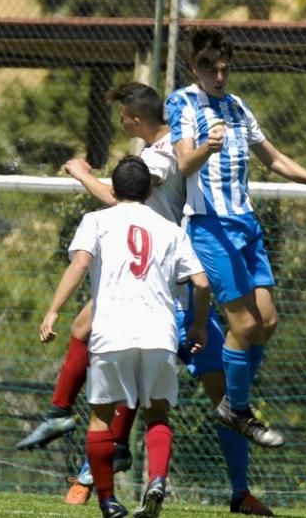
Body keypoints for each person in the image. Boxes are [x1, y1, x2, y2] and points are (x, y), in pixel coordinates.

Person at [20, 81, 276, 516]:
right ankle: (87, 455)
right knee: (123, 370)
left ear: (136, 119)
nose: (122, 123)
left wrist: (83, 175)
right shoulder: (160, 153)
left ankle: (237, 491)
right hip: (162, 285)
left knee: (216, 399)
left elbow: (123, 198)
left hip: (165, 287)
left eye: (123, 117)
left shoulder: (158, 157)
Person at [166, 27, 306, 449]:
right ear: (196, 68)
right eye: (212, 69)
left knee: (267, 322)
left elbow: (274, 158)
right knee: (243, 323)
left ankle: (233, 400)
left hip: (246, 224)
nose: (220, 77)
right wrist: (208, 147)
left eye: (226, 69)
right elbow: (185, 164)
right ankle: (238, 409)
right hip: (210, 227)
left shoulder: (238, 107)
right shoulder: (183, 102)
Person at [39, 155, 211, 518]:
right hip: (159, 333)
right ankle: (158, 480)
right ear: (150, 190)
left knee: (101, 418)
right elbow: (201, 282)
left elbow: (81, 263)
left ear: (113, 190)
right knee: (157, 416)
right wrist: (197, 325)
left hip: (111, 333)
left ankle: (107, 500)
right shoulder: (170, 229)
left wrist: (54, 310)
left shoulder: (96, 221)